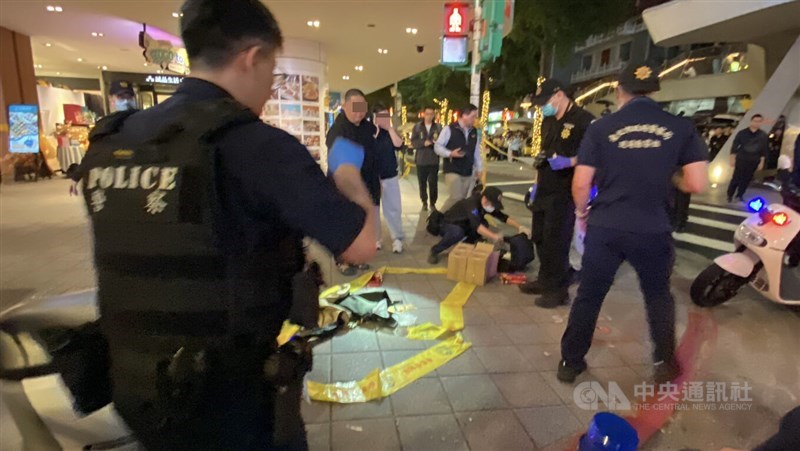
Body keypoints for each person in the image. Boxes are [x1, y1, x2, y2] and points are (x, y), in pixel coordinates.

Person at [77, 0, 377, 449]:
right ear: (251, 57)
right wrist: (350, 178)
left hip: (132, 383)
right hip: (228, 401)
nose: (271, 89)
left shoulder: (113, 139)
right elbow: (361, 246)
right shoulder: (257, 148)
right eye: (272, 72)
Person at [558, 61, 708, 385]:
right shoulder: (681, 128)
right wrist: (671, 176)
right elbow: (697, 183)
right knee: (658, 296)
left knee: (590, 294)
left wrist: (583, 215)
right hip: (654, 228)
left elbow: (581, 183)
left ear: (618, 91)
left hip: (607, 226)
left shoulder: (601, 128)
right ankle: (664, 363)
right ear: (654, 90)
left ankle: (570, 362)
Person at [518, 79, 595, 308]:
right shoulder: (548, 121)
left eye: (545, 101)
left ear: (559, 95)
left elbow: (595, 155)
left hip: (565, 189)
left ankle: (558, 290)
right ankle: (544, 279)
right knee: (540, 236)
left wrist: (570, 161)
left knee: (557, 240)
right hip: (545, 186)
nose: (542, 107)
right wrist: (535, 186)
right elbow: (544, 153)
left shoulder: (584, 121)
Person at [327, 88, 381, 274]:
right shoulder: (338, 130)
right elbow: (341, 167)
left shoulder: (367, 128)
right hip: (345, 187)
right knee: (343, 225)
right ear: (344, 107)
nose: (359, 112)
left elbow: (373, 156)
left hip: (367, 183)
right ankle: (341, 260)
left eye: (362, 108)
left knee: (359, 223)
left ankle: (356, 258)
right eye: (354, 108)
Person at [427, 186, 530, 263]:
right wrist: (494, 236)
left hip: (465, 224)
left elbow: (503, 217)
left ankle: (465, 247)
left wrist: (520, 226)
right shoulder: (472, 204)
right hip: (449, 224)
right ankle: (435, 251)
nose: (493, 207)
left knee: (484, 225)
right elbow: (478, 227)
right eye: (492, 204)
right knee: (458, 232)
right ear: (485, 199)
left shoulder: (486, 204)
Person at [434, 104, 484, 211]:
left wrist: (479, 168)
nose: (475, 120)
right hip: (453, 169)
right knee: (455, 198)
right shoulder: (449, 129)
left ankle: (453, 221)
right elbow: (437, 147)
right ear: (464, 115)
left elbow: (475, 151)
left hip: (468, 170)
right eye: (473, 116)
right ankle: (437, 219)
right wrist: (450, 153)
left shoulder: (474, 132)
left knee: (463, 200)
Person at [372, 103, 405, 253]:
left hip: (390, 176)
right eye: (382, 116)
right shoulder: (369, 132)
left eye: (387, 116)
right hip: (373, 177)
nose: (385, 119)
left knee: (393, 208)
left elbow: (399, 144)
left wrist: (390, 128)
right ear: (375, 117)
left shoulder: (390, 132)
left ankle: (397, 238)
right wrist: (376, 131)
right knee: (374, 209)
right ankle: (376, 238)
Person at [727, 114, 769, 202]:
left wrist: (762, 162)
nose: (757, 123)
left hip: (754, 159)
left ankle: (740, 194)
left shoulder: (763, 135)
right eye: (755, 121)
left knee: (747, 178)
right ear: (751, 121)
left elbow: (764, 150)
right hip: (741, 158)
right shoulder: (742, 133)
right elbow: (735, 146)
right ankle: (730, 194)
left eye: (759, 121)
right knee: (736, 177)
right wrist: (732, 158)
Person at [410, 106, 442, 211]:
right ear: (424, 114)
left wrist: (434, 144)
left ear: (434, 115)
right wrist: (423, 143)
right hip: (421, 160)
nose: (429, 116)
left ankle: (433, 203)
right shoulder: (417, 127)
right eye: (427, 114)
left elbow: (442, 141)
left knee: (433, 182)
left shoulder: (438, 127)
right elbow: (413, 142)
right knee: (422, 183)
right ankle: (424, 202)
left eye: (431, 114)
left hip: (433, 160)